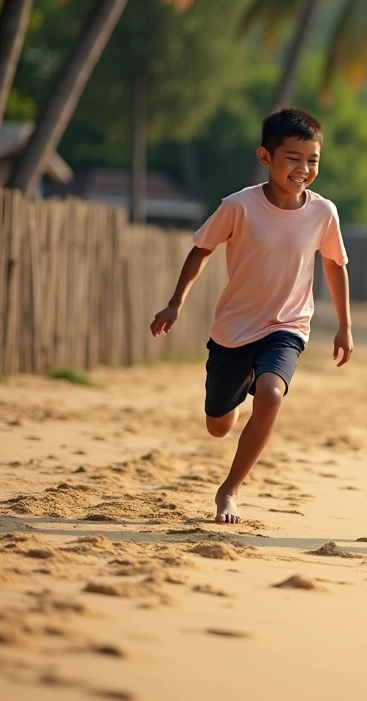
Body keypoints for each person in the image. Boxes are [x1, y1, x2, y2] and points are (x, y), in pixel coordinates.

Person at [150, 108, 352, 524]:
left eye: (312, 160)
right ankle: (235, 399)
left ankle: (229, 490)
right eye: (293, 158)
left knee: (272, 395)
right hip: (234, 330)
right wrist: (175, 302)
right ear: (265, 157)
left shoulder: (323, 212)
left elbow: (334, 264)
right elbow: (202, 250)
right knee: (218, 425)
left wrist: (345, 326)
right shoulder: (239, 206)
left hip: (287, 325)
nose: (303, 169)